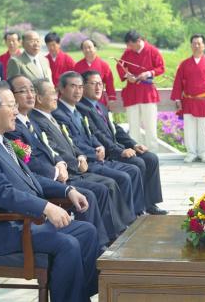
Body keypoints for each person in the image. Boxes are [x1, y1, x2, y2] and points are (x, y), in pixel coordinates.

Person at [0, 81, 100, 301]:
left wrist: (67, 190)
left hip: (23, 223)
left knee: (87, 232)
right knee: (67, 244)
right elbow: (1, 192)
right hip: (3, 229)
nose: (17, 111)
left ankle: (79, 296)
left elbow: (30, 178)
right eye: (11, 105)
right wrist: (46, 207)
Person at [5, 74, 120, 244]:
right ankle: (97, 244)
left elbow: (48, 148)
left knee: (101, 188)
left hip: (59, 173)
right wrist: (57, 170)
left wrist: (59, 161)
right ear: (11, 97)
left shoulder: (30, 121)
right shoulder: (13, 127)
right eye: (23, 91)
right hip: (42, 181)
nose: (31, 95)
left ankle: (105, 239)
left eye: (32, 90)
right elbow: (28, 162)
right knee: (90, 193)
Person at [29, 78, 136, 227]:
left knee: (113, 181)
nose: (56, 96)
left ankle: (122, 226)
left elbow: (70, 142)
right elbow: (53, 149)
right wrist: (78, 163)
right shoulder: (37, 120)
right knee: (103, 187)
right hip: (67, 172)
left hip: (79, 164)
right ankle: (112, 233)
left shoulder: (50, 116)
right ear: (39, 98)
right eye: (52, 92)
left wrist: (81, 156)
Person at [53, 71, 146, 216]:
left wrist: (99, 146)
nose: (78, 91)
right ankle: (126, 218)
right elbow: (72, 141)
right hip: (85, 163)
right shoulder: (59, 113)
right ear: (62, 89)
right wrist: (94, 153)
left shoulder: (76, 110)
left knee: (133, 169)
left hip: (97, 156)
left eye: (80, 87)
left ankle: (133, 214)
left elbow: (91, 133)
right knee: (123, 176)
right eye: (73, 86)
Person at [79, 70, 168, 215]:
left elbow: (116, 129)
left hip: (116, 147)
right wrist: (120, 151)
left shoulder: (100, 105)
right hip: (106, 153)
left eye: (100, 84)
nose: (98, 88)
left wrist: (133, 144)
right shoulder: (82, 108)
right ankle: (136, 209)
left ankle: (150, 203)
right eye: (93, 84)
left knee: (151, 158)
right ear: (83, 86)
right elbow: (98, 135)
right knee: (137, 163)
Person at [171, 34, 205, 163]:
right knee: (189, 128)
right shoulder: (184, 64)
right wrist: (177, 99)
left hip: (204, 102)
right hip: (188, 101)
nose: (196, 46)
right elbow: (178, 83)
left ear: (204, 46)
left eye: (199, 43)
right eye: (194, 43)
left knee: (204, 129)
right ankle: (191, 153)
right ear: (191, 46)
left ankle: (204, 153)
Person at [116, 30, 165, 152]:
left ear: (138, 41)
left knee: (150, 126)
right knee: (133, 127)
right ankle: (136, 153)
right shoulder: (128, 52)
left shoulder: (152, 50)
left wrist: (148, 73)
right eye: (128, 45)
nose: (129, 48)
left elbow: (161, 67)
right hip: (132, 93)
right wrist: (128, 76)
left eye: (131, 45)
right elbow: (119, 65)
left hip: (147, 93)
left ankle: (153, 153)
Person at [74, 39, 116, 108]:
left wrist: (111, 99)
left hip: (100, 102)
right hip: (82, 102)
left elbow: (109, 83)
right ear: (82, 50)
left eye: (89, 47)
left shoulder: (104, 65)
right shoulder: (77, 66)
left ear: (95, 48)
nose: (87, 50)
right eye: (85, 48)